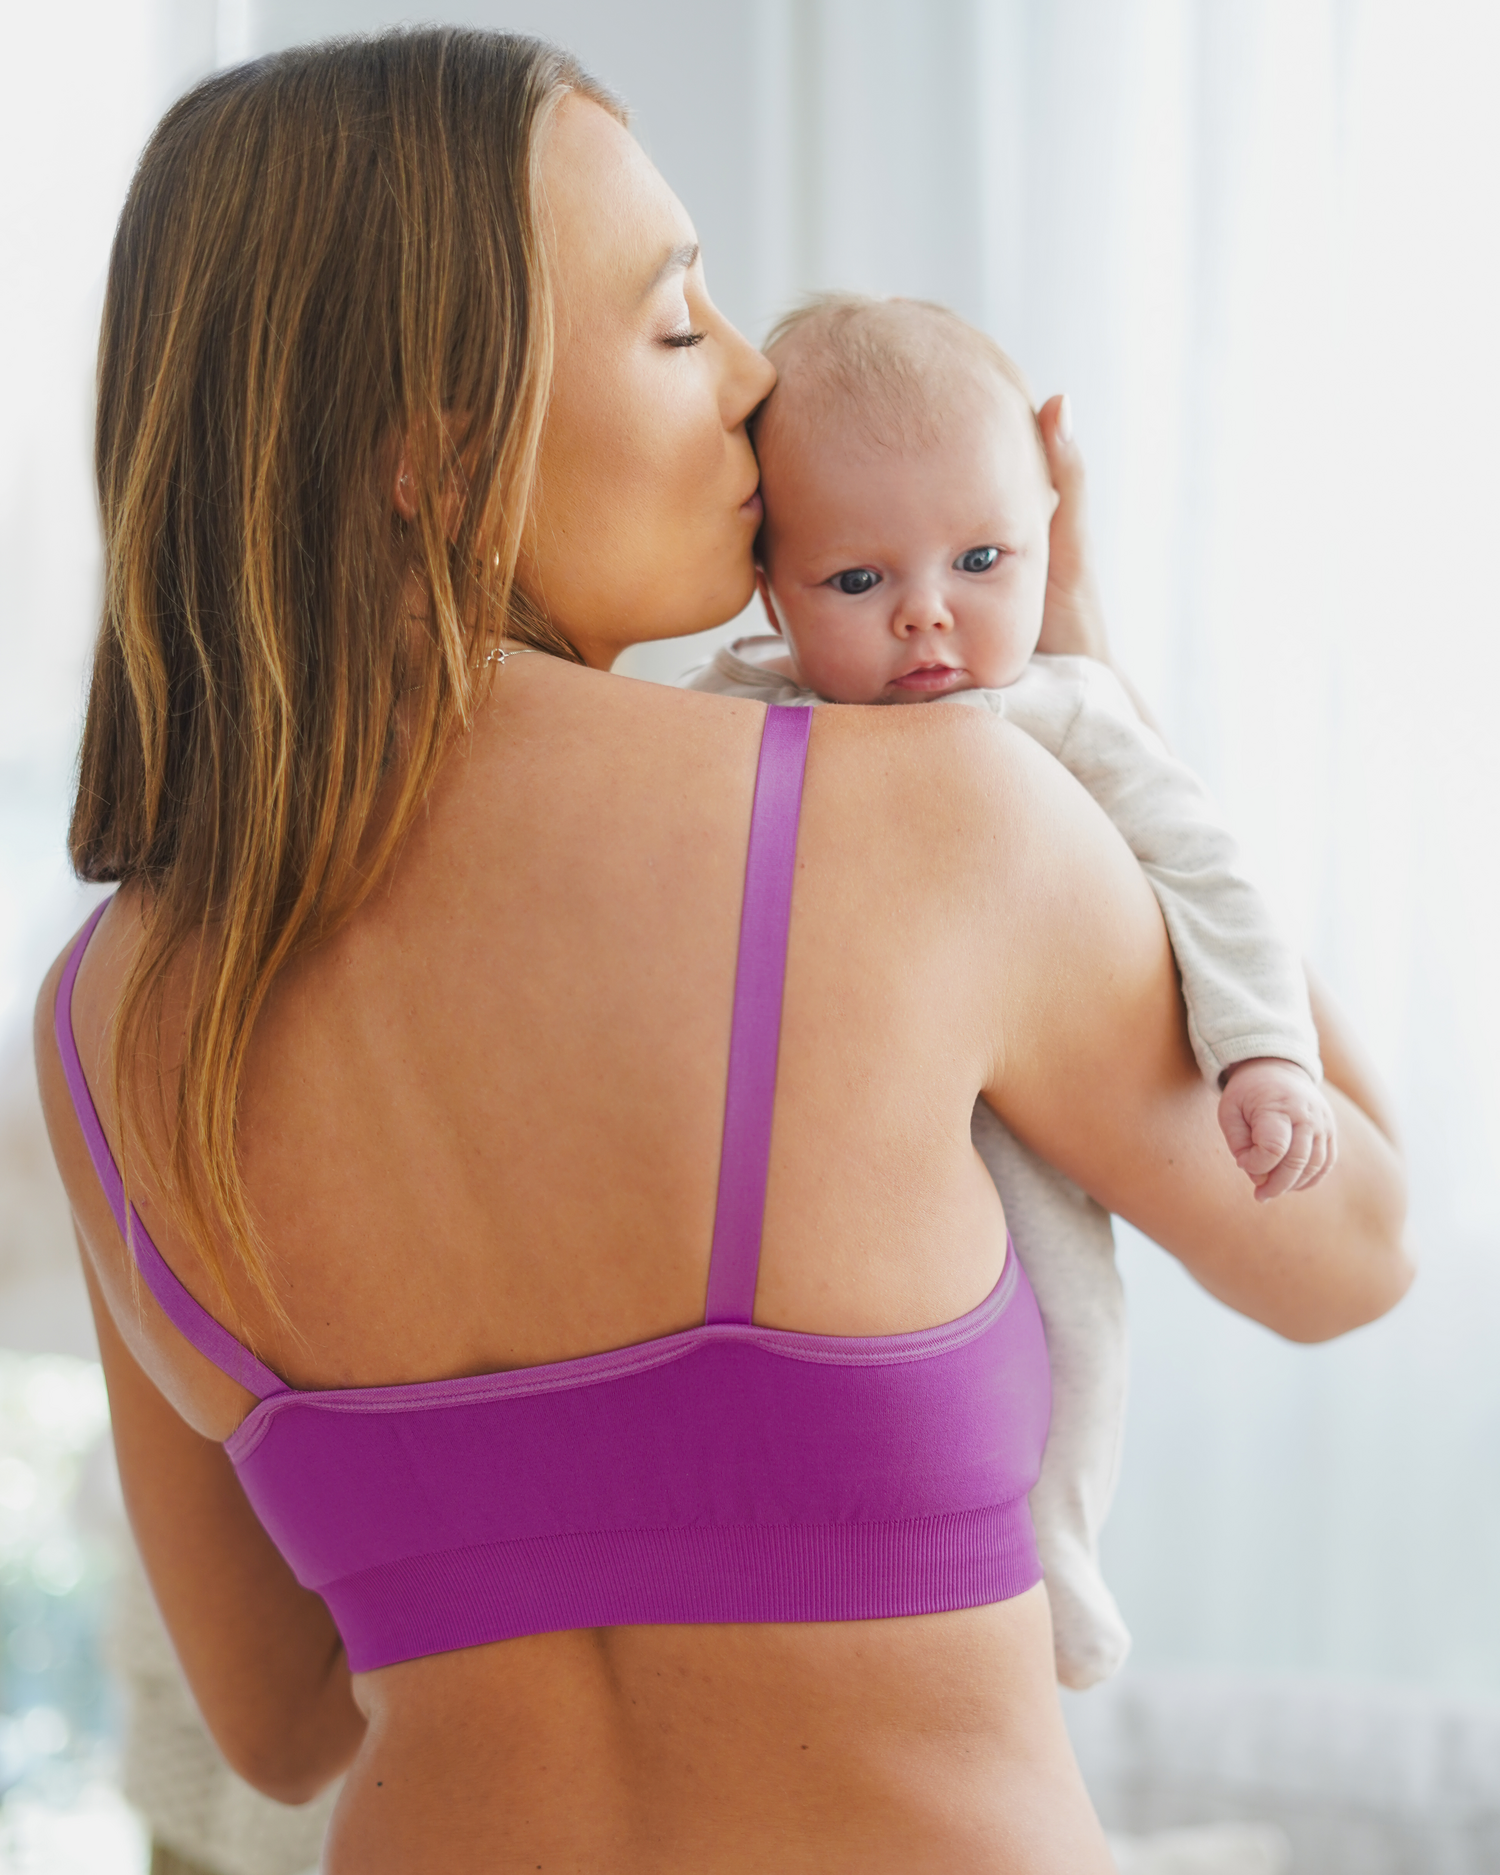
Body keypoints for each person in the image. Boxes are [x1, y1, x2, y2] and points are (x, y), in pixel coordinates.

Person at [32, 28, 1410, 1875]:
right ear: (439, 460)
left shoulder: (105, 1021)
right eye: (679, 324)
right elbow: (1351, 1246)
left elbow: (281, 1727)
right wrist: (1089, 695)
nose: (758, 373)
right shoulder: (922, 818)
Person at [688, 291, 1335, 1690]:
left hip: (1031, 1122)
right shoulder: (740, 711)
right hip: (840, 1132)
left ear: (1050, 522)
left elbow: (1205, 868)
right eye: (856, 582)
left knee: (1074, 1322)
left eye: (982, 558)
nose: (928, 612)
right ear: (770, 589)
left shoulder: (1061, 708)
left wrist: (1262, 1051)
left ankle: (1059, 1532)